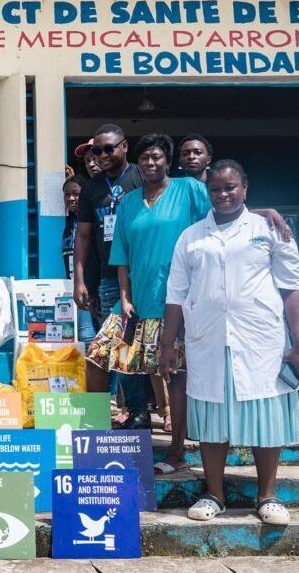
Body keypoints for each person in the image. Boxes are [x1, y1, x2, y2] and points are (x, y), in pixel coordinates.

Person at [159, 160, 299, 526]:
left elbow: (293, 287)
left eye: (231, 187)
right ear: (208, 192)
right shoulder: (191, 236)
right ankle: (214, 493)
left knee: (265, 417)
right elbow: (176, 293)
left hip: (260, 339)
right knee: (212, 418)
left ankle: (268, 495)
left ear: (245, 187)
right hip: (207, 339)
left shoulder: (272, 229)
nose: (224, 195)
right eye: (216, 189)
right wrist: (167, 344)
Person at [87, 134, 210, 473]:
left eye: (156, 157)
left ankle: (177, 453)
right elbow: (122, 255)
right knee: (98, 357)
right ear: (137, 163)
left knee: (175, 375)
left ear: (167, 160)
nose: (151, 163)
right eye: (145, 158)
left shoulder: (190, 190)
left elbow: (219, 223)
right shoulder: (127, 202)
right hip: (136, 302)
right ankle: (95, 439)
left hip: (177, 301)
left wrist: (266, 213)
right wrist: (124, 297)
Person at [72, 124, 150, 429]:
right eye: (97, 151)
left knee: (143, 345)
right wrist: (80, 280)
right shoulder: (92, 188)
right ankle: (133, 411)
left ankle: (147, 410)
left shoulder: (140, 176)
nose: (102, 156)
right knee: (119, 345)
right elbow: (84, 237)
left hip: (142, 276)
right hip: (107, 279)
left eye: (108, 149)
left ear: (124, 146)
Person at [61, 175, 97, 344]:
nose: (71, 198)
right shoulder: (68, 223)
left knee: (88, 335)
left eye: (76, 193)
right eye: (67, 195)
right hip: (73, 287)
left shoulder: (92, 222)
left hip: (90, 285)